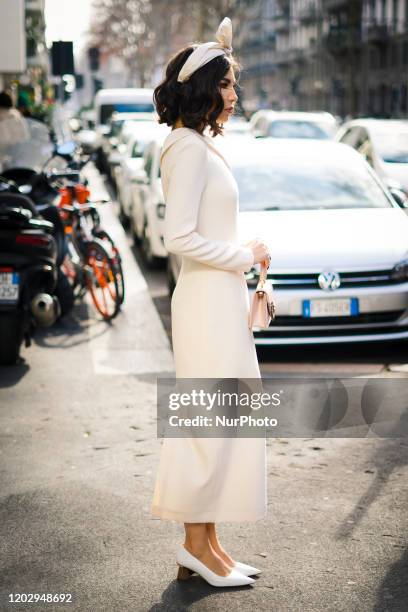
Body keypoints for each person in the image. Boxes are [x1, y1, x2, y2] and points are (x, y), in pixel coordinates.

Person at [150, 17, 271, 588]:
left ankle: (210, 545)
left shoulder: (197, 144)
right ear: (201, 88)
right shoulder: (185, 147)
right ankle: (196, 545)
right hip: (205, 303)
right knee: (207, 423)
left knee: (224, 422)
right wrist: (242, 255)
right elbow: (179, 239)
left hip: (217, 300)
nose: (233, 95)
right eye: (225, 85)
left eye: (233, 85)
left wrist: (239, 261)